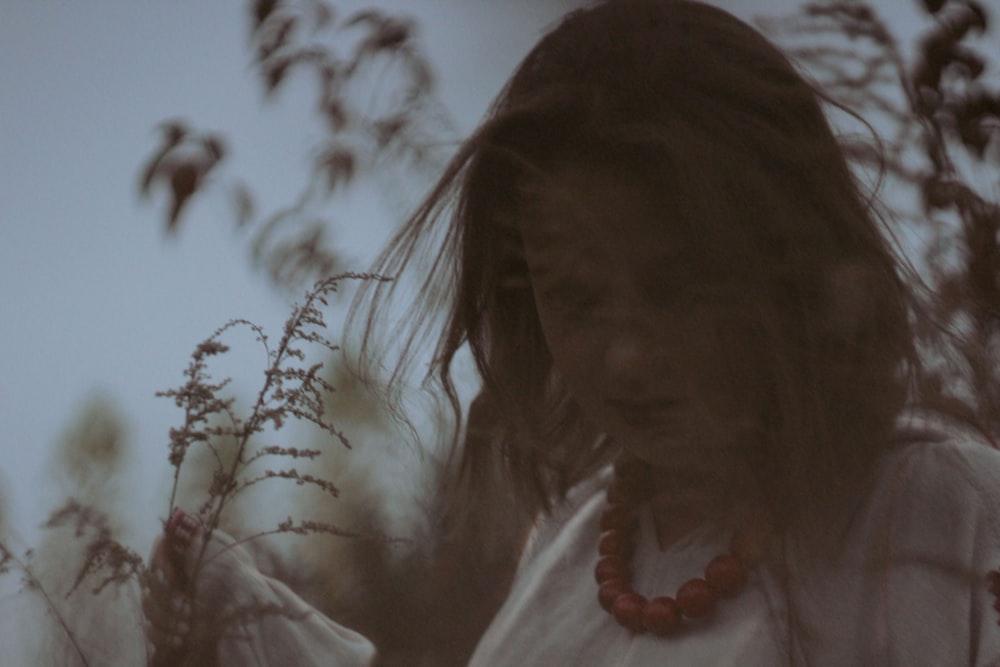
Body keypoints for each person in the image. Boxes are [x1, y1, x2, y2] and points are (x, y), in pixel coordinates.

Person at [143, 0, 1000, 664]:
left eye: (675, 286)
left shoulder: (942, 513)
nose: (626, 354)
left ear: (785, 253)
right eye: (576, 298)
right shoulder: (576, 546)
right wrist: (249, 632)